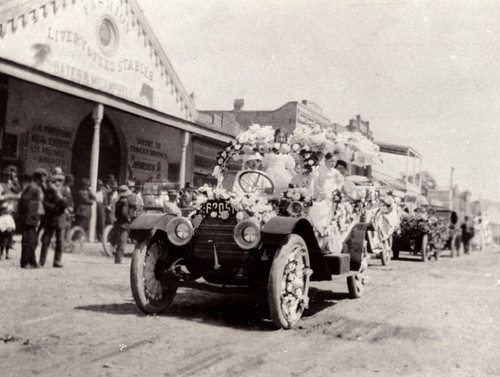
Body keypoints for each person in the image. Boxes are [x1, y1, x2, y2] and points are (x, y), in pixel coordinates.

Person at [18, 168, 47, 268]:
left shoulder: (36, 187)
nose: (44, 179)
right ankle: (25, 262)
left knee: (33, 241)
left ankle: (32, 262)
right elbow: (24, 200)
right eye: (44, 176)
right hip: (29, 218)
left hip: (32, 218)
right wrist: (28, 215)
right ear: (39, 177)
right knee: (28, 240)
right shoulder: (33, 187)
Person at [39, 167, 68, 268]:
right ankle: (42, 261)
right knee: (46, 240)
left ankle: (57, 261)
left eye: (60, 179)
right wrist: (53, 208)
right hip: (51, 217)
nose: (58, 182)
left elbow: (67, 203)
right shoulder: (49, 190)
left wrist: (61, 207)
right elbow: (45, 202)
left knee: (60, 241)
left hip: (60, 217)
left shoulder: (65, 190)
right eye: (56, 179)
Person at [113, 185, 136, 264]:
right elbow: (124, 212)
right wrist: (128, 219)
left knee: (119, 243)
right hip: (124, 224)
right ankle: (118, 260)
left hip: (118, 223)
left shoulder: (118, 201)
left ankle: (117, 259)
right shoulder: (125, 201)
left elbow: (116, 213)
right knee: (122, 244)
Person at [0, 167, 18, 259]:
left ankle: (6, 253)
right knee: (3, 234)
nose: (8, 178)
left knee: (9, 234)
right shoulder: (1, 186)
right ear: (3, 176)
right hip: (2, 212)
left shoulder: (9, 186)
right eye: (6, 176)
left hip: (9, 212)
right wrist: (8, 196)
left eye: (9, 176)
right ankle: (1, 253)